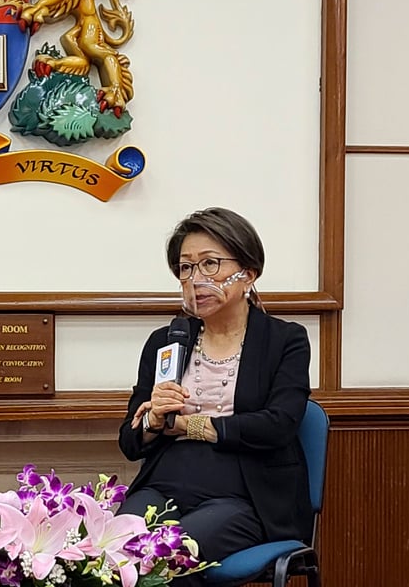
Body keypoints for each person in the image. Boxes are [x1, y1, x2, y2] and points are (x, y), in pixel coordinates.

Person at [116, 207, 312, 581]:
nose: (196, 279)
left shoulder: (285, 340)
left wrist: (189, 424)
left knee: (171, 557)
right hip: (166, 483)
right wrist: (154, 422)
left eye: (209, 264)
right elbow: (130, 440)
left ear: (249, 274)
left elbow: (279, 425)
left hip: (246, 495)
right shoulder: (167, 340)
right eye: (185, 268)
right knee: (117, 549)